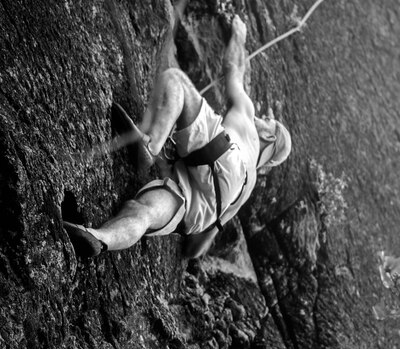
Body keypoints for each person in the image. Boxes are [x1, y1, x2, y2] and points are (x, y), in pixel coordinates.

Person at [64, 16, 291, 259]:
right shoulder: (249, 186)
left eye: (268, 121)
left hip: (222, 154)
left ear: (270, 136)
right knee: (144, 212)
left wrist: (239, 35)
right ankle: (100, 238)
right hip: (202, 204)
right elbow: (200, 243)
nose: (262, 119)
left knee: (176, 80)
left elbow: (233, 70)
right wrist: (189, 255)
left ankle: (150, 146)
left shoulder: (248, 117)